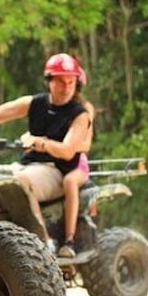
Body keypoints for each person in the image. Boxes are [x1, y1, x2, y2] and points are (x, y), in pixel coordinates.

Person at [0, 53, 92, 254]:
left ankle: (43, 242)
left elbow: (67, 151)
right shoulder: (35, 103)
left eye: (71, 82)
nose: (66, 87)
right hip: (27, 165)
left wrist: (41, 143)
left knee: (20, 181)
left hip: (55, 171)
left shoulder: (80, 113)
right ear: (49, 81)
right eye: (60, 81)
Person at [58, 66, 95, 257]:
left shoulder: (84, 110)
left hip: (77, 164)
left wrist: (64, 147)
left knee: (69, 182)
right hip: (52, 162)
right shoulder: (55, 108)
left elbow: (86, 144)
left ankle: (69, 240)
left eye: (72, 84)